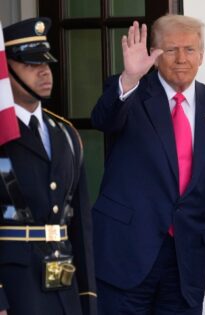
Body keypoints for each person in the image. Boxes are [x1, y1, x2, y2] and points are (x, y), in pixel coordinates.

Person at [91, 14, 205, 314]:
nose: (181, 58)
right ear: (155, 56)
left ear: (202, 55)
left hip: (187, 261)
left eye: (190, 49)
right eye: (171, 50)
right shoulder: (132, 92)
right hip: (127, 253)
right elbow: (102, 119)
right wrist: (130, 77)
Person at [0, 17, 97, 315]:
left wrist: (88, 296)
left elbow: (80, 223)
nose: (44, 72)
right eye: (31, 64)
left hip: (63, 284)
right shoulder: (3, 132)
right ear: (6, 71)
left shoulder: (66, 134)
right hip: (16, 286)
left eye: (47, 63)